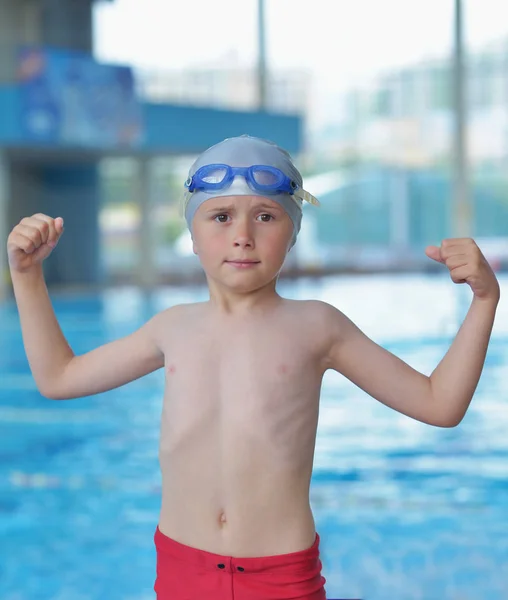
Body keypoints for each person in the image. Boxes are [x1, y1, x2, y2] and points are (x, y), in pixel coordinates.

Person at [6, 135, 500, 600]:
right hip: (182, 569)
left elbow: (439, 404)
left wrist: (484, 299)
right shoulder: (170, 329)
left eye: (265, 216)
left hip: (282, 576)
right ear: (193, 235)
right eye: (220, 216)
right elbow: (60, 378)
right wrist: (27, 277)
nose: (242, 236)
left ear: (293, 232)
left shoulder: (318, 327)